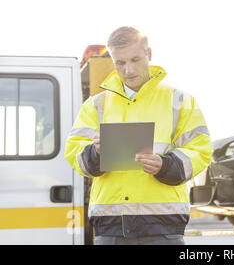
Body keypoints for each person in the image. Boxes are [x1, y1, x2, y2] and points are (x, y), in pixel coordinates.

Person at [64, 26, 213, 245]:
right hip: (111, 224)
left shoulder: (180, 101)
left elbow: (200, 151)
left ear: (149, 55)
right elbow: (75, 155)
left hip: (163, 223)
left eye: (135, 59)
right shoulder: (95, 106)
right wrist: (95, 154)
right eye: (120, 63)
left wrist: (165, 165)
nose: (128, 70)